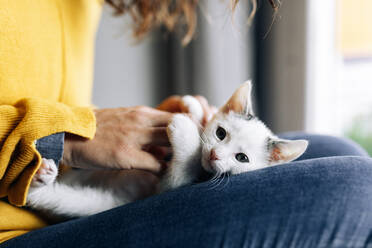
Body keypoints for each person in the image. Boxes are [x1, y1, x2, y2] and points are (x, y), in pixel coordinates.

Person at [1, 1, 372, 247]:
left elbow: (54, 100)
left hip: (48, 172)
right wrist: (67, 137)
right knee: (359, 189)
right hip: (12, 223)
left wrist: (137, 131)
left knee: (338, 151)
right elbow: (63, 126)